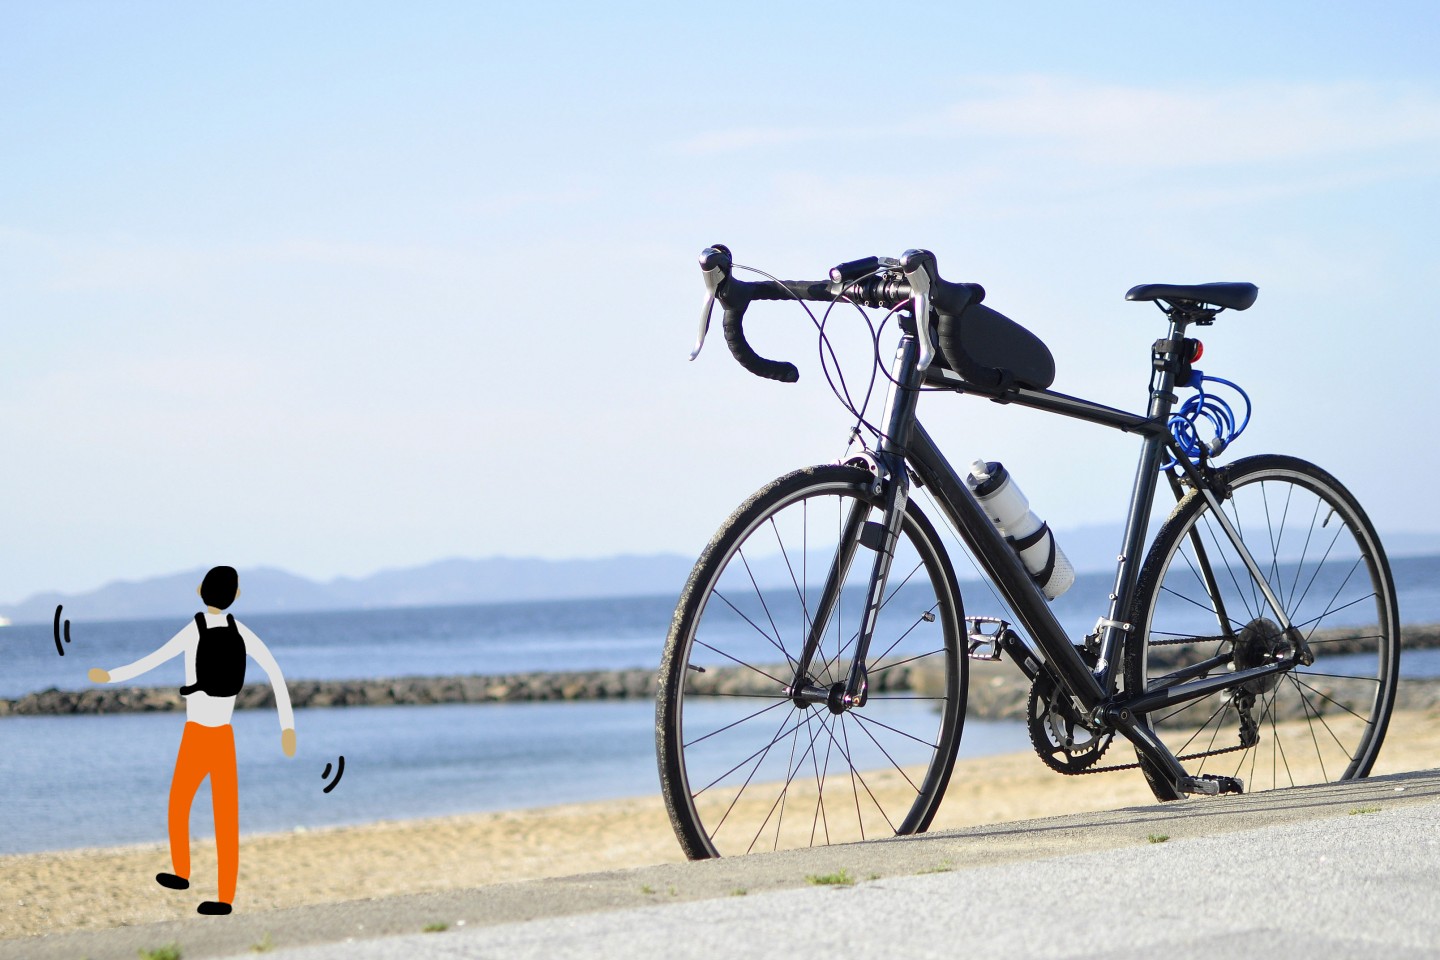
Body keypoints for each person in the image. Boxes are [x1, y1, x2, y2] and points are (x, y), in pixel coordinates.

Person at [89, 566, 295, 916]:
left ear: (200, 590)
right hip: (223, 737)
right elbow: (275, 672)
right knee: (226, 819)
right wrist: (286, 727)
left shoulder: (193, 629)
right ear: (236, 596)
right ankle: (225, 897)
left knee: (178, 805)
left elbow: (152, 660)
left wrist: (111, 676)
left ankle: (182, 872)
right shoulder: (240, 630)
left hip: (196, 734)